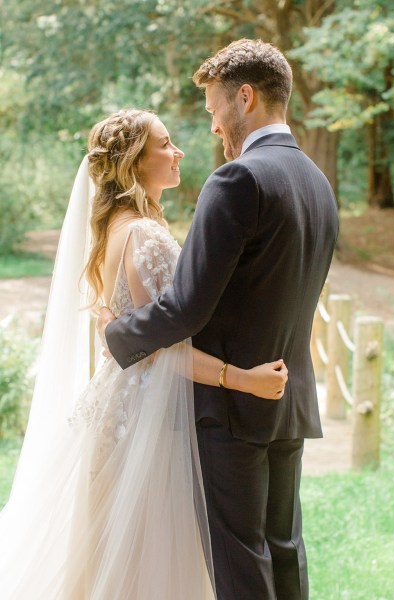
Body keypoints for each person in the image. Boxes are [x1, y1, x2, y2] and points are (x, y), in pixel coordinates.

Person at [0, 107, 288, 600]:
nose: (178, 152)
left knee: (113, 559)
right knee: (146, 566)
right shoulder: (144, 235)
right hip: (148, 419)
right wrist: (242, 379)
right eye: (165, 144)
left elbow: (127, 332)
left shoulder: (116, 228)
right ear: (135, 162)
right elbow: (159, 348)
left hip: (116, 410)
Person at [100, 40, 339, 600]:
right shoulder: (317, 184)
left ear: (246, 97)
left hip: (232, 412)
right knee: (285, 551)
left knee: (238, 564)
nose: (212, 127)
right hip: (290, 399)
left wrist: (118, 332)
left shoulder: (237, 180)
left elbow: (186, 307)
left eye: (213, 110)